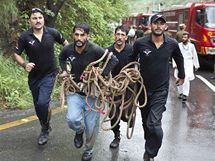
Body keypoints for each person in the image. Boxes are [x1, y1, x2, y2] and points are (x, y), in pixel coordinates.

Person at [59, 23, 118, 161]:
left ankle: (89, 150)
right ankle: (79, 131)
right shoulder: (68, 49)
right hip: (75, 91)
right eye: (77, 35)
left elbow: (113, 59)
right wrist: (64, 70)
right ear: (73, 35)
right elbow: (61, 58)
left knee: (91, 127)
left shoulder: (95, 49)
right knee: (72, 120)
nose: (79, 38)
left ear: (87, 36)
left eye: (82, 35)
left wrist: (102, 75)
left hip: (92, 94)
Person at [131, 13, 185, 161]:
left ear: (165, 26)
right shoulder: (140, 43)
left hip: (160, 90)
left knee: (154, 124)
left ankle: (150, 153)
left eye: (161, 23)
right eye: (156, 23)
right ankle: (150, 147)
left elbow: (179, 59)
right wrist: (131, 71)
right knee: (146, 123)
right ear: (150, 25)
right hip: (142, 89)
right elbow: (131, 59)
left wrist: (182, 75)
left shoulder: (172, 44)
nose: (158, 26)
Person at [13, 8, 68, 145]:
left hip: (50, 74)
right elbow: (16, 54)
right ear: (30, 20)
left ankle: (45, 129)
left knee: (43, 102)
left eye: (40, 18)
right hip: (34, 77)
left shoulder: (53, 33)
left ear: (43, 19)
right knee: (38, 106)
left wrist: (65, 62)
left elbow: (67, 45)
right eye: (34, 18)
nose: (38, 21)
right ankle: (45, 123)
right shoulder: (25, 37)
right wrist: (24, 64)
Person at [106, 25, 133, 149]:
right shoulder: (108, 50)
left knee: (124, 114)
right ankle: (117, 136)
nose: (120, 37)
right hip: (113, 86)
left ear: (126, 37)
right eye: (118, 34)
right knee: (113, 113)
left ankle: (128, 118)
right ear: (114, 35)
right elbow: (102, 67)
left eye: (123, 35)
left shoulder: (132, 50)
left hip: (128, 86)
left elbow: (138, 65)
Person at [173, 32, 200, 102]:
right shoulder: (178, 45)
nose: (184, 39)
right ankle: (180, 93)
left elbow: (194, 55)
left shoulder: (191, 46)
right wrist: (175, 64)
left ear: (188, 38)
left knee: (186, 78)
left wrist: (196, 65)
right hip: (179, 63)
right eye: (183, 37)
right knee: (178, 78)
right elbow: (174, 55)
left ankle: (185, 94)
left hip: (188, 64)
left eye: (185, 37)